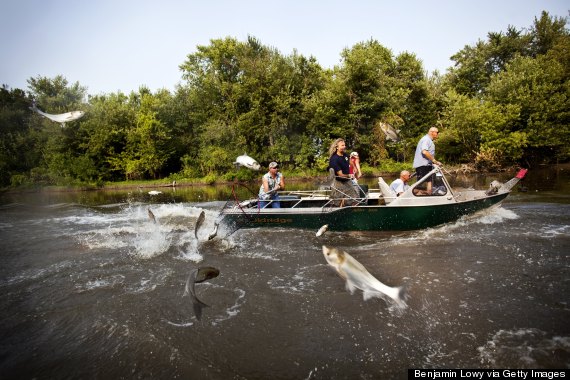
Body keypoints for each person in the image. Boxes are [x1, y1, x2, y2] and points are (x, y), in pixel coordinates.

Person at [328, 138, 359, 206]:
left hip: (347, 181)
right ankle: (340, 208)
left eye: (344, 145)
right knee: (337, 203)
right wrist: (349, 175)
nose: (344, 147)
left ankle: (351, 210)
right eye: (342, 145)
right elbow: (340, 174)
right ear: (337, 147)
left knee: (354, 200)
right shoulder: (334, 159)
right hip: (338, 182)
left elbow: (349, 160)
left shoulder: (344, 155)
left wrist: (354, 167)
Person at [412, 127, 442, 194]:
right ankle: (428, 196)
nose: (438, 134)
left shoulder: (427, 140)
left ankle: (421, 195)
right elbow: (424, 152)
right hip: (424, 165)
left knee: (421, 185)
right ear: (432, 132)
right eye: (437, 132)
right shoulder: (426, 139)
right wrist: (435, 161)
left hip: (424, 165)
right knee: (429, 184)